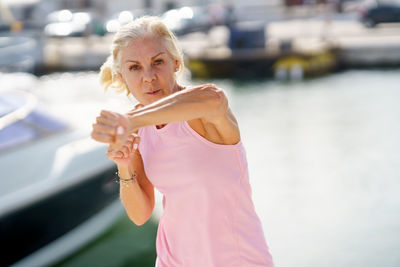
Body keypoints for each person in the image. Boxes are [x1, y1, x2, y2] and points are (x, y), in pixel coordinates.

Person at [91, 16, 274, 267]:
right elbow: (140, 214)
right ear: (121, 76)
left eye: (158, 62)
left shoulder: (200, 107)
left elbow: (213, 98)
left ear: (175, 64)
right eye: (134, 67)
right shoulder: (138, 129)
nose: (149, 77)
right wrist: (124, 166)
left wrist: (129, 120)